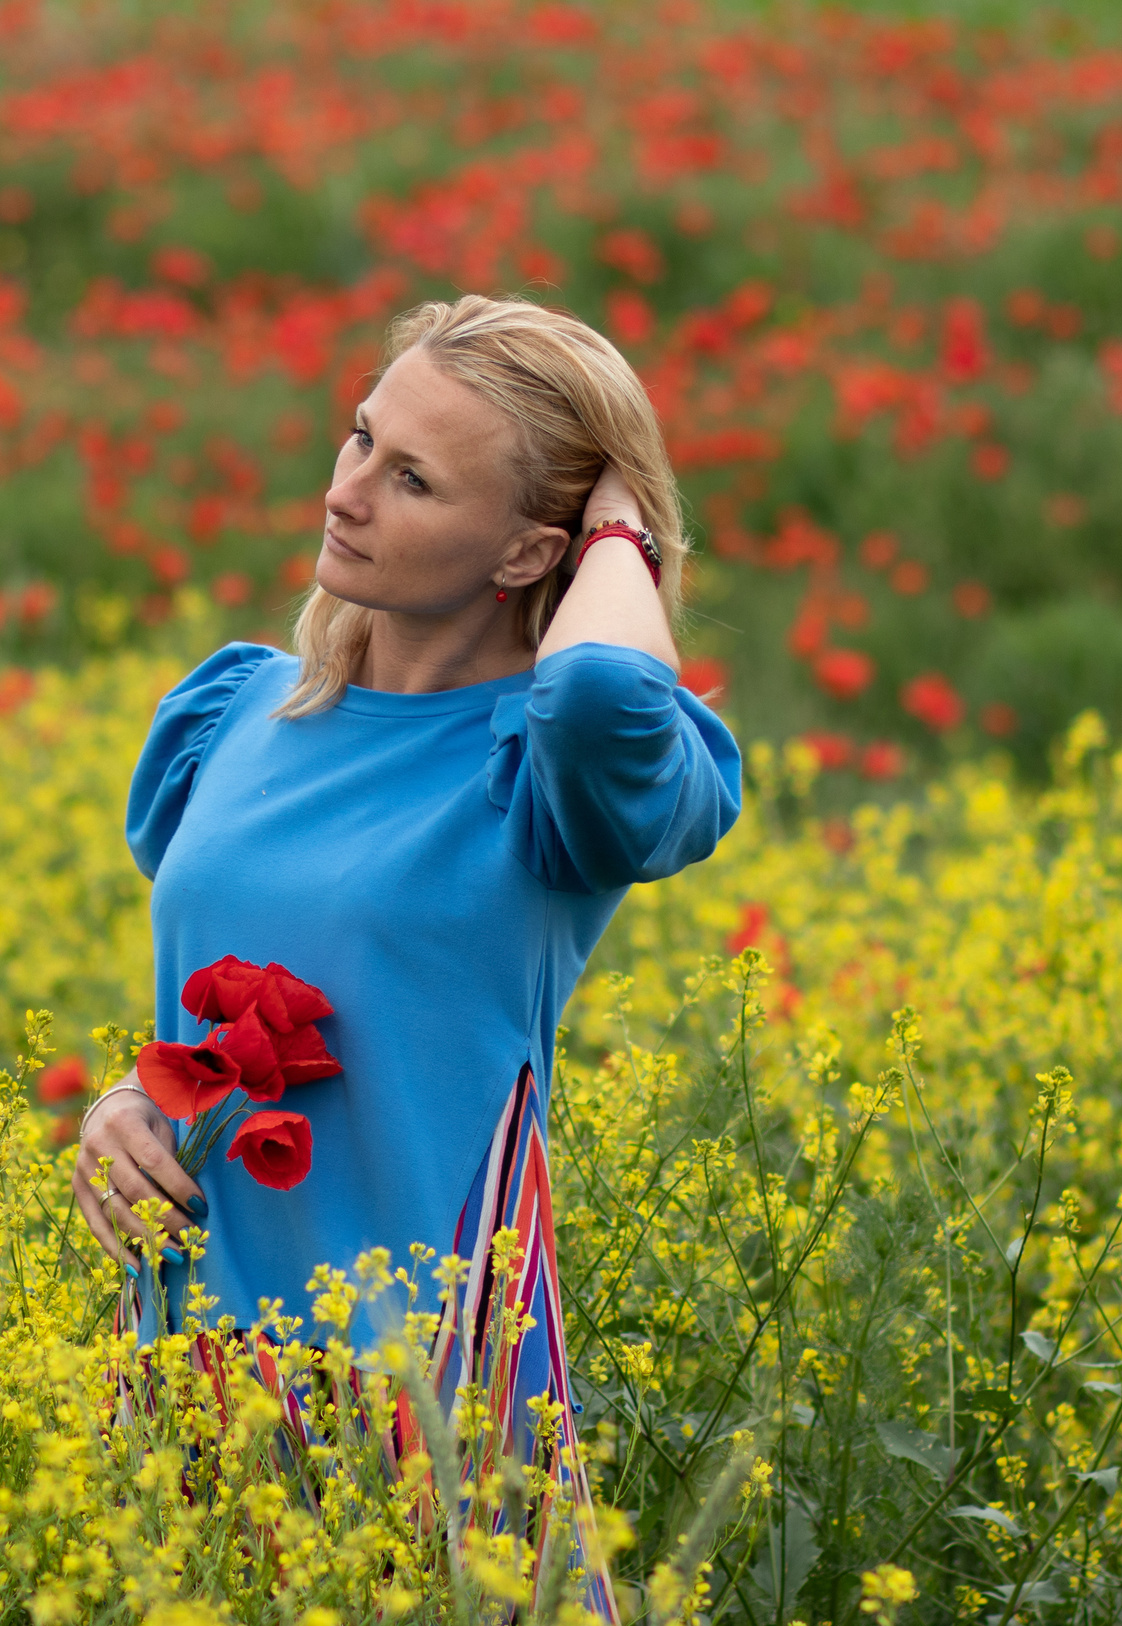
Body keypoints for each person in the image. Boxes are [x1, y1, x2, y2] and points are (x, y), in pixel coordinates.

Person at [71, 293, 742, 1353]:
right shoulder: (232, 713)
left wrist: (620, 529)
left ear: (525, 556)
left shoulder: (546, 772)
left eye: (412, 480)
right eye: (362, 437)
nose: (345, 494)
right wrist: (125, 1102)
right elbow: (227, 971)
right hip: (181, 1374)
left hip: (420, 1399)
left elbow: (603, 687)